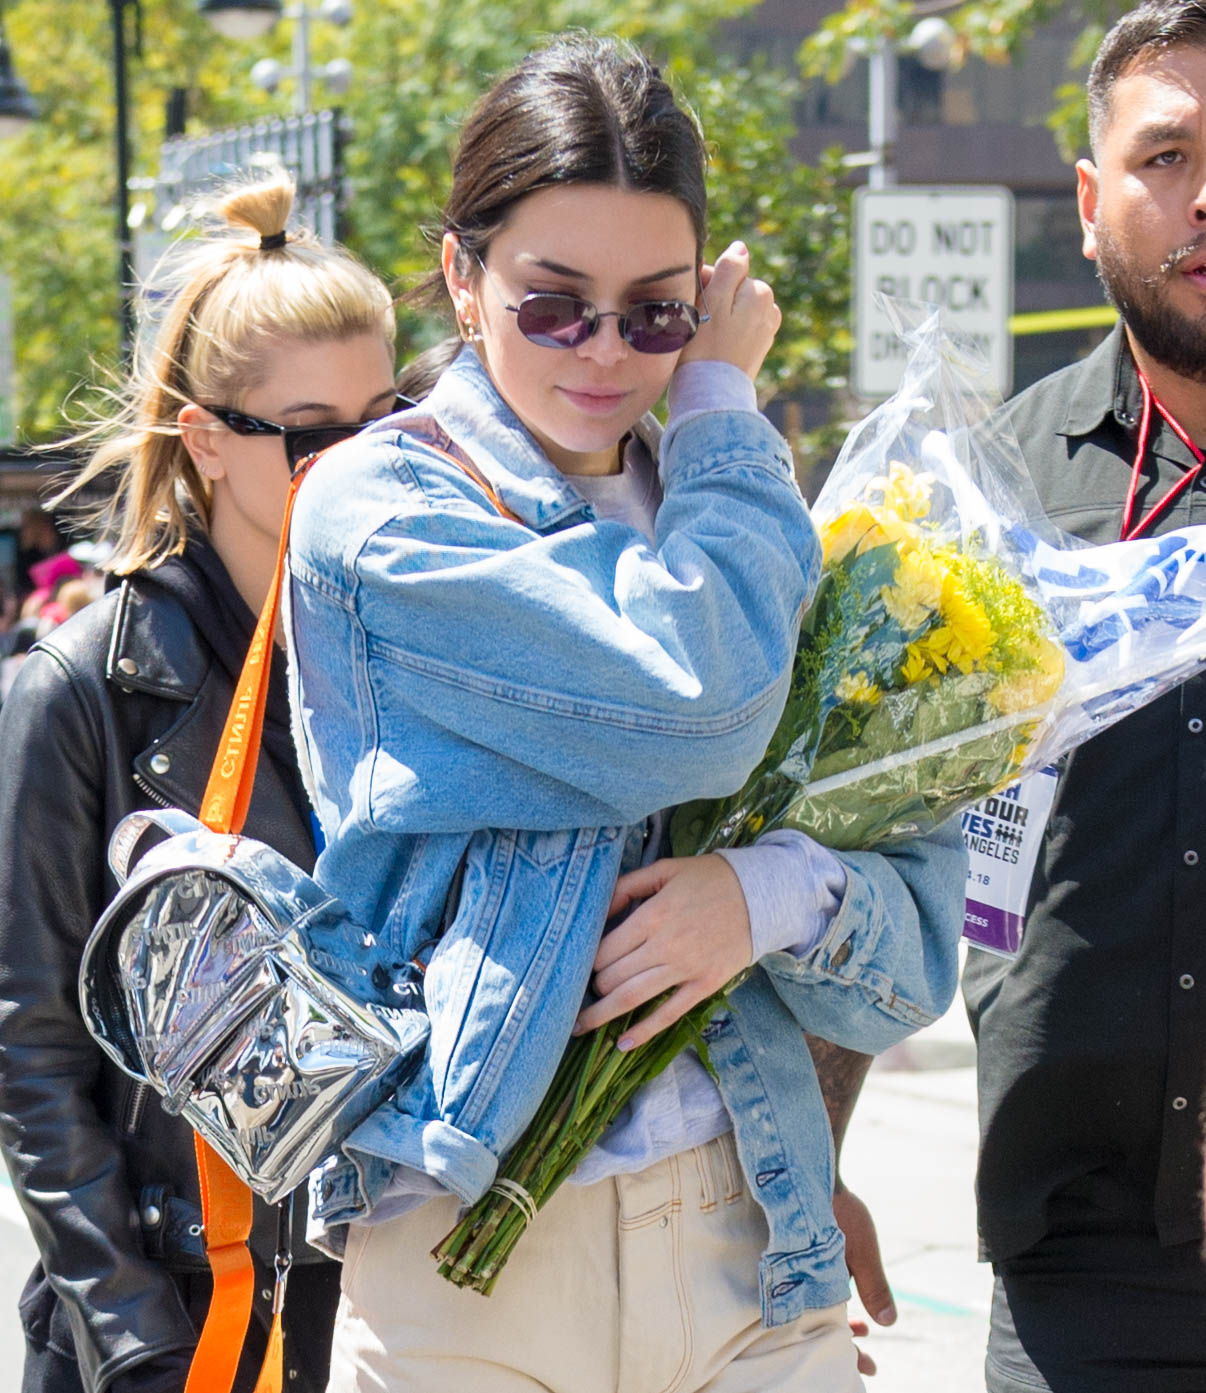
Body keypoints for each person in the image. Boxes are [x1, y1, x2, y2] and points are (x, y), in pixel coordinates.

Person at [285, 34, 965, 1393]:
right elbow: (696, 704)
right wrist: (718, 398)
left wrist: (766, 897)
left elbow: (921, 936)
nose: (606, 352)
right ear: (460, 277)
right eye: (553, 304)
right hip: (473, 1247)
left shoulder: (736, 519)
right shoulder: (380, 511)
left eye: (658, 313)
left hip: (749, 1228)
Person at [0, 171, 401, 1393]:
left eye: (389, 417)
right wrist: (135, 1340)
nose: (363, 458)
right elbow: (32, 1054)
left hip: (394, 1302)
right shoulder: (80, 687)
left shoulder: (422, 655)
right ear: (209, 439)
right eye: (316, 432)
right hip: (177, 1318)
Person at [962, 5, 1206, 1389]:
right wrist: (809, 1161)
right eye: (1163, 156)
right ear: (1088, 198)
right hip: (1073, 1270)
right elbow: (882, 833)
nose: (1199, 197)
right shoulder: (992, 487)